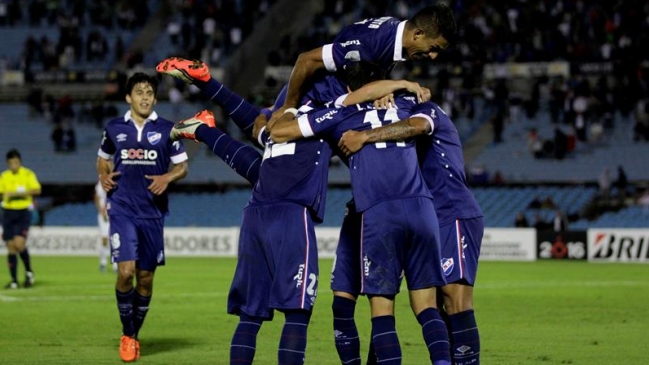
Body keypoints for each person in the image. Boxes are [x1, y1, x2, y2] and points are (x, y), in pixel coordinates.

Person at [157, 58, 435, 365]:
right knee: (298, 313)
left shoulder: (277, 119)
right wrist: (400, 86)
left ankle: (203, 129)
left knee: (249, 316)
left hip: (256, 213)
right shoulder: (329, 114)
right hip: (291, 217)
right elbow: (355, 98)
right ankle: (203, 128)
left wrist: (210, 89)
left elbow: (254, 125)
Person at [269, 94, 452, 365]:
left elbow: (280, 132)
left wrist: (284, 110)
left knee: (382, 310)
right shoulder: (404, 103)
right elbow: (421, 123)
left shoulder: (341, 112)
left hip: (378, 211)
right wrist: (403, 86)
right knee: (426, 307)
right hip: (422, 207)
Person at [334, 100, 484, 365]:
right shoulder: (392, 122)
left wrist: (364, 136)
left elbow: (416, 126)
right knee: (393, 296)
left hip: (451, 211)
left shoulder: (424, 111)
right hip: (418, 213)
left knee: (455, 301)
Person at [96, 72, 189, 363]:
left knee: (145, 279)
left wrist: (168, 176)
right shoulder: (114, 128)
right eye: (139, 92)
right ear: (128, 97)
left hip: (152, 212)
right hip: (122, 207)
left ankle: (133, 334)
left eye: (149, 92)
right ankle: (129, 335)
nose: (145, 97)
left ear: (155, 98)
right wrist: (103, 175)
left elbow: (183, 166)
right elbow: (103, 157)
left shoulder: (167, 129)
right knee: (125, 272)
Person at [269, 4, 456, 121]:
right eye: (434, 48)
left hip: (332, 100)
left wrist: (379, 89)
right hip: (310, 100)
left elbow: (367, 69)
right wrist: (288, 107)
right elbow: (306, 60)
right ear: (417, 34)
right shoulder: (371, 43)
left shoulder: (396, 35)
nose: (433, 56)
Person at [0, 149, 40, 289]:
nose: (14, 166)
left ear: (20, 162)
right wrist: (5, 195)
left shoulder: (28, 174)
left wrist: (19, 193)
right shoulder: (4, 176)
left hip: (23, 212)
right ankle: (14, 281)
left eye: (16, 163)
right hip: (8, 212)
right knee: (10, 247)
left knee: (19, 244)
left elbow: (37, 190)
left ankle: (29, 272)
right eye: (11, 163)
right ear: (8, 163)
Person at [93, 181, 115, 273]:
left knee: (115, 238)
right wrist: (101, 211)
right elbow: (96, 197)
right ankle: (103, 262)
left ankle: (115, 264)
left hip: (114, 214)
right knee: (105, 239)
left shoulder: (116, 182)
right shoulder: (101, 183)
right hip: (104, 215)